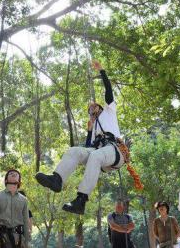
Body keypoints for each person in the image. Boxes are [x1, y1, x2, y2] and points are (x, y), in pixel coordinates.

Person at [35, 60, 124, 215]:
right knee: (75, 151)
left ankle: (81, 200)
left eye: (93, 106)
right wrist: (90, 132)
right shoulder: (95, 126)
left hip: (115, 151)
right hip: (100, 153)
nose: (91, 109)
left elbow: (108, 91)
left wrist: (101, 70)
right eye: (89, 109)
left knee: (95, 156)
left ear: (101, 107)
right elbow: (88, 147)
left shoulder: (109, 112)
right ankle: (57, 179)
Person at [0, 170, 31, 248]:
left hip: (19, 239)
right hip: (1, 238)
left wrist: (26, 241)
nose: (14, 174)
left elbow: (26, 221)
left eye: (16, 174)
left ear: (19, 181)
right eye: (11, 173)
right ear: (6, 180)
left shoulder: (24, 200)